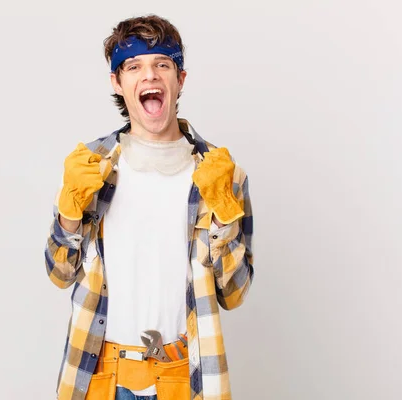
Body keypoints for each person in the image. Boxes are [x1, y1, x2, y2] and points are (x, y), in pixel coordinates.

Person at [45, 14, 254, 400]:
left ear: (180, 79)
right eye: (134, 66)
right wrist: (70, 210)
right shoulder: (89, 167)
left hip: (182, 376)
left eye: (162, 64)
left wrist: (224, 211)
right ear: (117, 82)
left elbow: (234, 293)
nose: (150, 75)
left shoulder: (222, 174)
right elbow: (60, 274)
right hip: (100, 376)